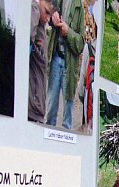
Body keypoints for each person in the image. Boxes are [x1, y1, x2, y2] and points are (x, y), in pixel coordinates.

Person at [45, 0, 85, 130]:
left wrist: (69, 32)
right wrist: (53, 12)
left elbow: (81, 44)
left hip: (70, 65)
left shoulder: (79, 7)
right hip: (56, 59)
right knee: (50, 109)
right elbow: (45, 7)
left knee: (68, 114)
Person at [29, 0, 55, 123]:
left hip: (37, 104)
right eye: (46, 12)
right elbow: (27, 43)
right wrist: (34, 48)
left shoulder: (42, 25)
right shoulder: (34, 9)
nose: (48, 19)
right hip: (32, 103)